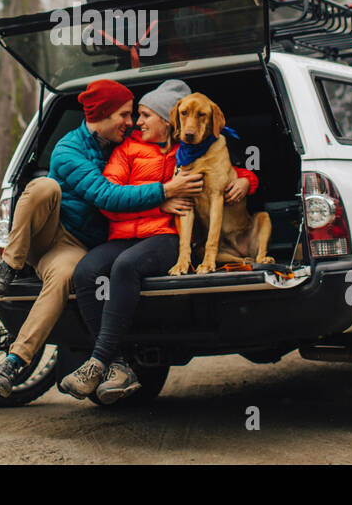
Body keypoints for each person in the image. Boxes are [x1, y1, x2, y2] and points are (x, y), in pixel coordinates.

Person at [0, 79, 205, 397]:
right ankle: (9, 266)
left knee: (64, 278)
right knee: (45, 187)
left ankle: (14, 362)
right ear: (102, 114)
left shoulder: (125, 143)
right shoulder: (68, 150)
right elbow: (106, 195)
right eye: (125, 115)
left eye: (136, 116)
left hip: (81, 246)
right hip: (49, 232)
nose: (131, 123)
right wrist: (165, 193)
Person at [60, 79, 258, 402]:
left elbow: (225, 175)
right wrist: (161, 198)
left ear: (168, 121)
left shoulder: (189, 154)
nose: (138, 123)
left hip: (165, 237)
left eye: (146, 116)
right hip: (123, 234)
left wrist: (249, 180)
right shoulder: (127, 149)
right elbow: (108, 198)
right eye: (136, 116)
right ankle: (117, 364)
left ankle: (96, 363)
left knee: (125, 268)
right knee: (85, 272)